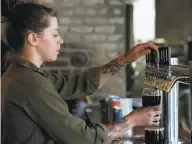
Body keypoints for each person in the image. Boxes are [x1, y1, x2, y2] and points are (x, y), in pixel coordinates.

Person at [1, 2, 161, 144]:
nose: (60, 40)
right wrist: (132, 120)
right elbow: (84, 139)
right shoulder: (30, 84)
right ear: (33, 39)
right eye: (55, 34)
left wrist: (125, 59)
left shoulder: (21, 74)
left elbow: (79, 83)